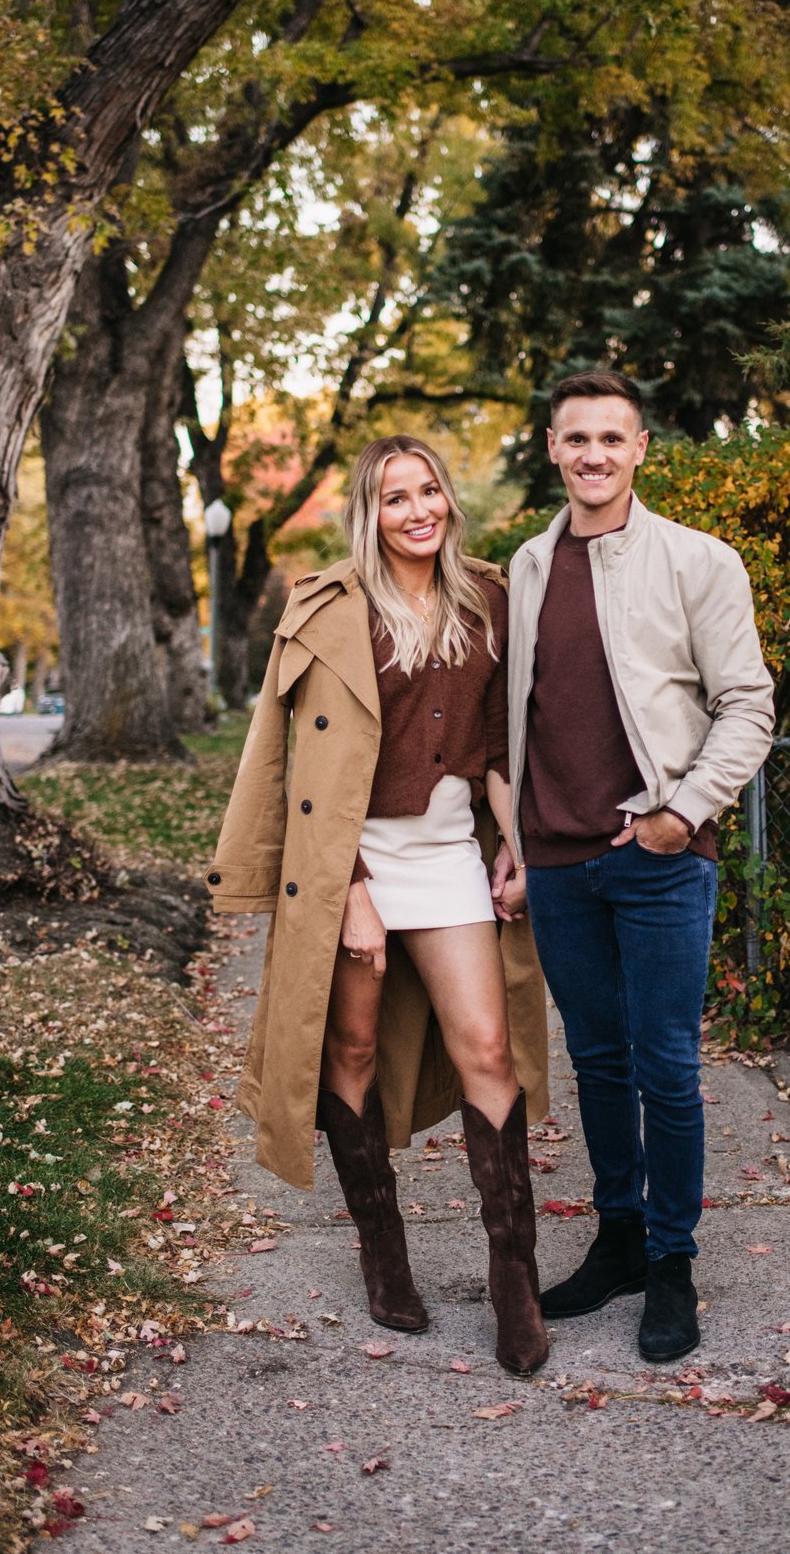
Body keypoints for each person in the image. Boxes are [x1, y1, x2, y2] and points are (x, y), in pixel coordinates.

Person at [205, 435, 550, 1377]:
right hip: (350, 860)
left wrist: (517, 846)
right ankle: (381, 1246)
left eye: (429, 489)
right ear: (372, 512)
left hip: (444, 853)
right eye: (395, 498)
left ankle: (512, 1276)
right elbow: (304, 768)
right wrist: (349, 890)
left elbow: (495, 753)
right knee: (349, 1046)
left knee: (489, 1047)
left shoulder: (486, 601)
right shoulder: (331, 611)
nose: (417, 510)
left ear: (448, 498)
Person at [493, 371, 774, 1363]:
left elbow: (747, 706)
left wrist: (681, 813)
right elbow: (513, 719)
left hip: (657, 860)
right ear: (551, 448)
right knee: (598, 1065)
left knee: (665, 1067)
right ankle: (615, 1239)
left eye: (612, 439)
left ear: (640, 448)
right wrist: (512, 841)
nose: (594, 455)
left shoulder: (699, 563)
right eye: (576, 439)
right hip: (560, 863)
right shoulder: (524, 568)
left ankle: (671, 1264)